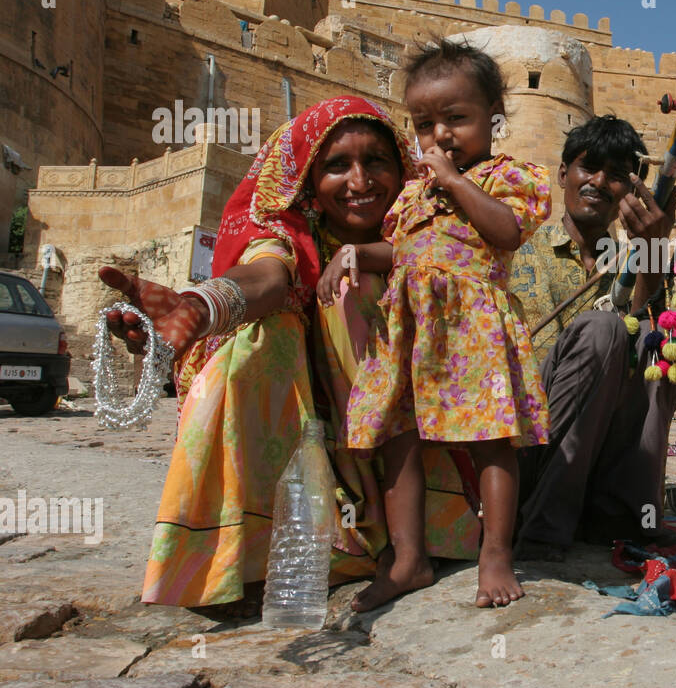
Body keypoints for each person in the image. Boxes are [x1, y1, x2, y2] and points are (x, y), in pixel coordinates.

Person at [99, 96, 481, 611]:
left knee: (360, 288)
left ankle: (406, 538)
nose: (360, 181)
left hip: (420, 436)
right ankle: (253, 547)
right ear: (305, 178)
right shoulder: (290, 235)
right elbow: (267, 276)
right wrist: (202, 308)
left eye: (376, 162)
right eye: (336, 166)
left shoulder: (432, 230)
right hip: (319, 432)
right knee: (259, 337)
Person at [343, 41, 550, 610]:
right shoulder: (413, 193)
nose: (440, 136)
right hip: (411, 331)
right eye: (425, 124)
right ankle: (409, 559)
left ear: (494, 118)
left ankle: (496, 553)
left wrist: (458, 182)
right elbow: (403, 252)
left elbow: (505, 232)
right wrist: (357, 255)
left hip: (472, 330)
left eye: (456, 119)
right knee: (399, 442)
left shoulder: (510, 176)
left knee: (490, 443)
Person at [509, 114, 676, 557]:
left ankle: (621, 517)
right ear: (563, 174)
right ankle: (541, 526)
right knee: (605, 327)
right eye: (589, 168)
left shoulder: (628, 258)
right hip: (526, 434)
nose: (599, 183)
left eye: (617, 175)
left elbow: (652, 335)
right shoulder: (515, 247)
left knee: (661, 343)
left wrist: (650, 252)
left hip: (600, 442)